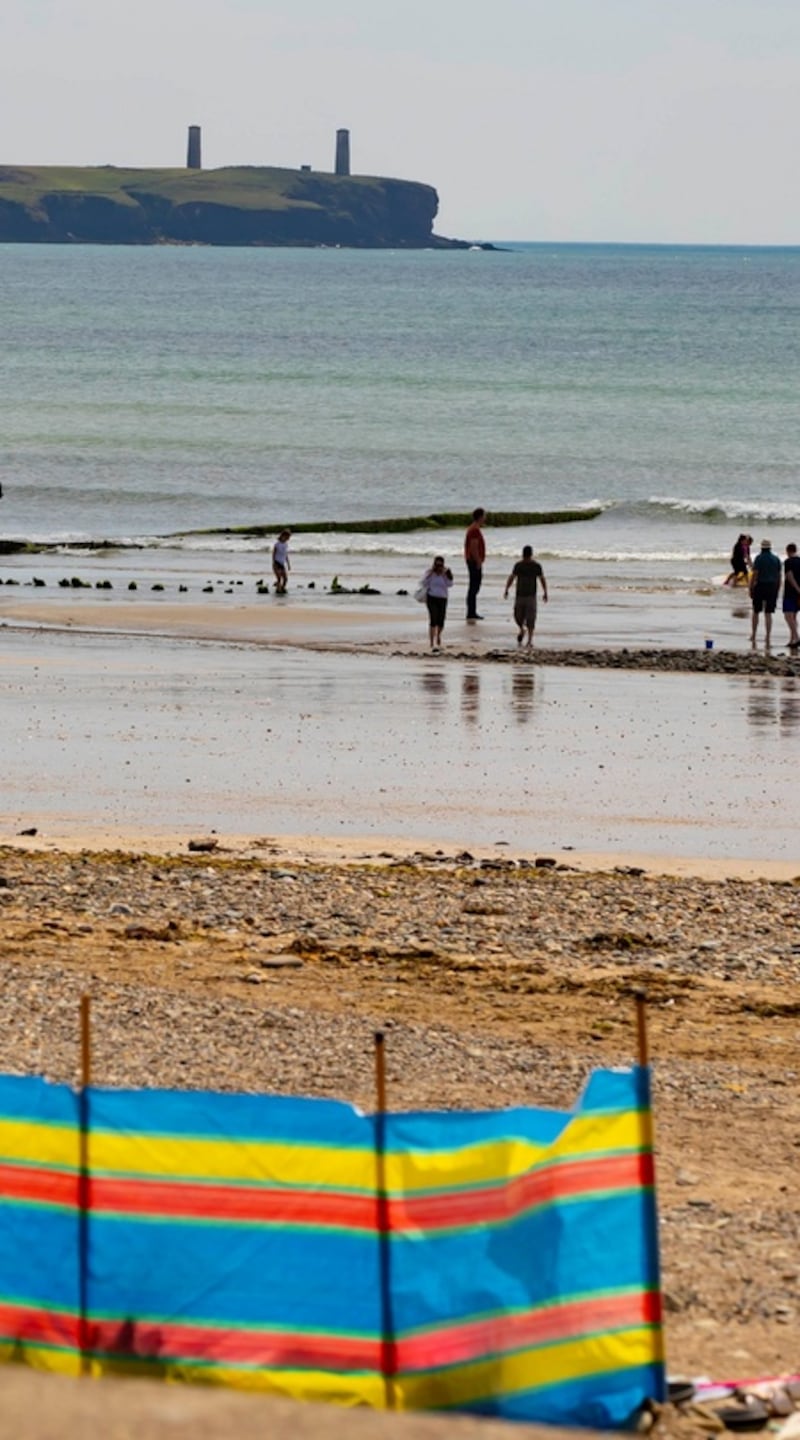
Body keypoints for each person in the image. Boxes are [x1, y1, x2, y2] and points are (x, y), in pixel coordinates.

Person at [504, 544, 548, 647]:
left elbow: (542, 578)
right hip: (520, 595)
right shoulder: (518, 565)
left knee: (531, 618)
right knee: (517, 616)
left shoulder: (536, 566)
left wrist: (545, 592)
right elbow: (512, 577)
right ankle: (522, 629)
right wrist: (506, 588)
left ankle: (530, 639)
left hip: (531, 595)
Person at [749, 538, 782, 646]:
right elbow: (779, 576)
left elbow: (755, 574)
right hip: (772, 586)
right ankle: (767, 636)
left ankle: (754, 634)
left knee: (756, 611)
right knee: (768, 613)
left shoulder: (759, 558)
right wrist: (778, 588)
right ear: (770, 547)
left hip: (760, 586)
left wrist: (751, 587)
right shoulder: (776, 559)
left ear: (761, 547)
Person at [420, 555, 453, 652]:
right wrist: (429, 575)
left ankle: (438, 635)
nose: (438, 567)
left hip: (442, 598)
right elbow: (423, 583)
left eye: (440, 565)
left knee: (441, 620)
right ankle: (431, 642)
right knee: (433, 619)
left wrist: (447, 575)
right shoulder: (430, 573)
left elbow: (450, 585)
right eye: (437, 564)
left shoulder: (445, 573)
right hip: (432, 597)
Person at [464, 507, 486, 620]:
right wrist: (478, 561)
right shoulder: (474, 530)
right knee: (474, 586)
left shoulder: (474, 529)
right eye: (484, 516)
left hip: (473, 560)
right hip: (473, 561)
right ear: (480, 517)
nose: (485, 518)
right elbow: (473, 547)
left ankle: (472, 611)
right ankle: (471, 612)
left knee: (474, 586)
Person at [783, 543, 800, 649]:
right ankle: (792, 639)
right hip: (799, 595)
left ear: (788, 551)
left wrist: (797, 589)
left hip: (791, 592)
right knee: (794, 616)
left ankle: (797, 637)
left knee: (788, 616)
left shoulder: (788, 562)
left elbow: (789, 576)